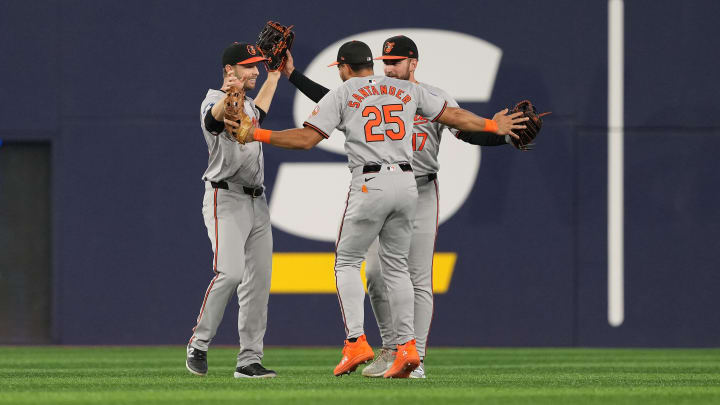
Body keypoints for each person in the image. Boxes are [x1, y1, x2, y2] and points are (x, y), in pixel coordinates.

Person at [230, 40, 526, 378]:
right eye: (386, 60)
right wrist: (493, 125)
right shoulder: (404, 91)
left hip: (380, 183)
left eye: (397, 60)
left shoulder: (348, 93)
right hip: (406, 184)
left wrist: (254, 133)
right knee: (389, 271)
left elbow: (309, 135)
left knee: (352, 263)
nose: (391, 66)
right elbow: (456, 115)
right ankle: (402, 349)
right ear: (372, 63)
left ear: (344, 68)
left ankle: (360, 342)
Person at [185, 42, 281, 379]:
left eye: (258, 65)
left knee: (258, 284)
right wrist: (229, 97)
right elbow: (215, 122)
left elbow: (261, 111)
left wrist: (277, 75)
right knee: (230, 273)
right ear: (230, 71)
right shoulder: (214, 101)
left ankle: (249, 360)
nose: (256, 71)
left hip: (258, 202)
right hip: (224, 199)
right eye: (249, 66)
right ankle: (198, 342)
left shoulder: (250, 104)